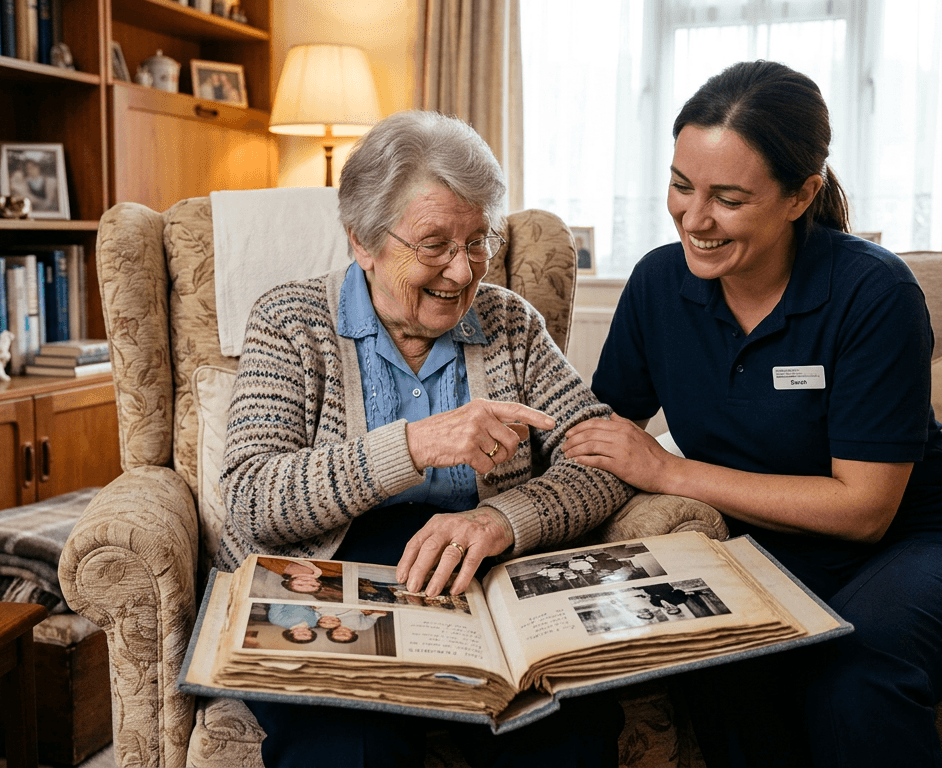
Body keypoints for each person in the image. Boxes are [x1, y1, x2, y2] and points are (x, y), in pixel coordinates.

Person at [564, 60, 942, 767]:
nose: (695, 218)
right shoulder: (659, 284)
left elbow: (865, 508)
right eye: (681, 186)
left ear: (799, 195)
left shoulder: (874, 292)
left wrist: (670, 470)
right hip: (772, 556)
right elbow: (598, 430)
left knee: (853, 671)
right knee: (730, 668)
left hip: (927, 547)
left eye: (728, 198)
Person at [217, 109, 633, 768]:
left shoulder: (509, 324)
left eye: (477, 242)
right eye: (434, 243)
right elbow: (250, 497)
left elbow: (603, 455)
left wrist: (503, 518)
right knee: (351, 744)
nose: (463, 272)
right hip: (327, 580)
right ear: (362, 240)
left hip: (477, 577)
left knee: (564, 731)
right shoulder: (290, 322)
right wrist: (410, 448)